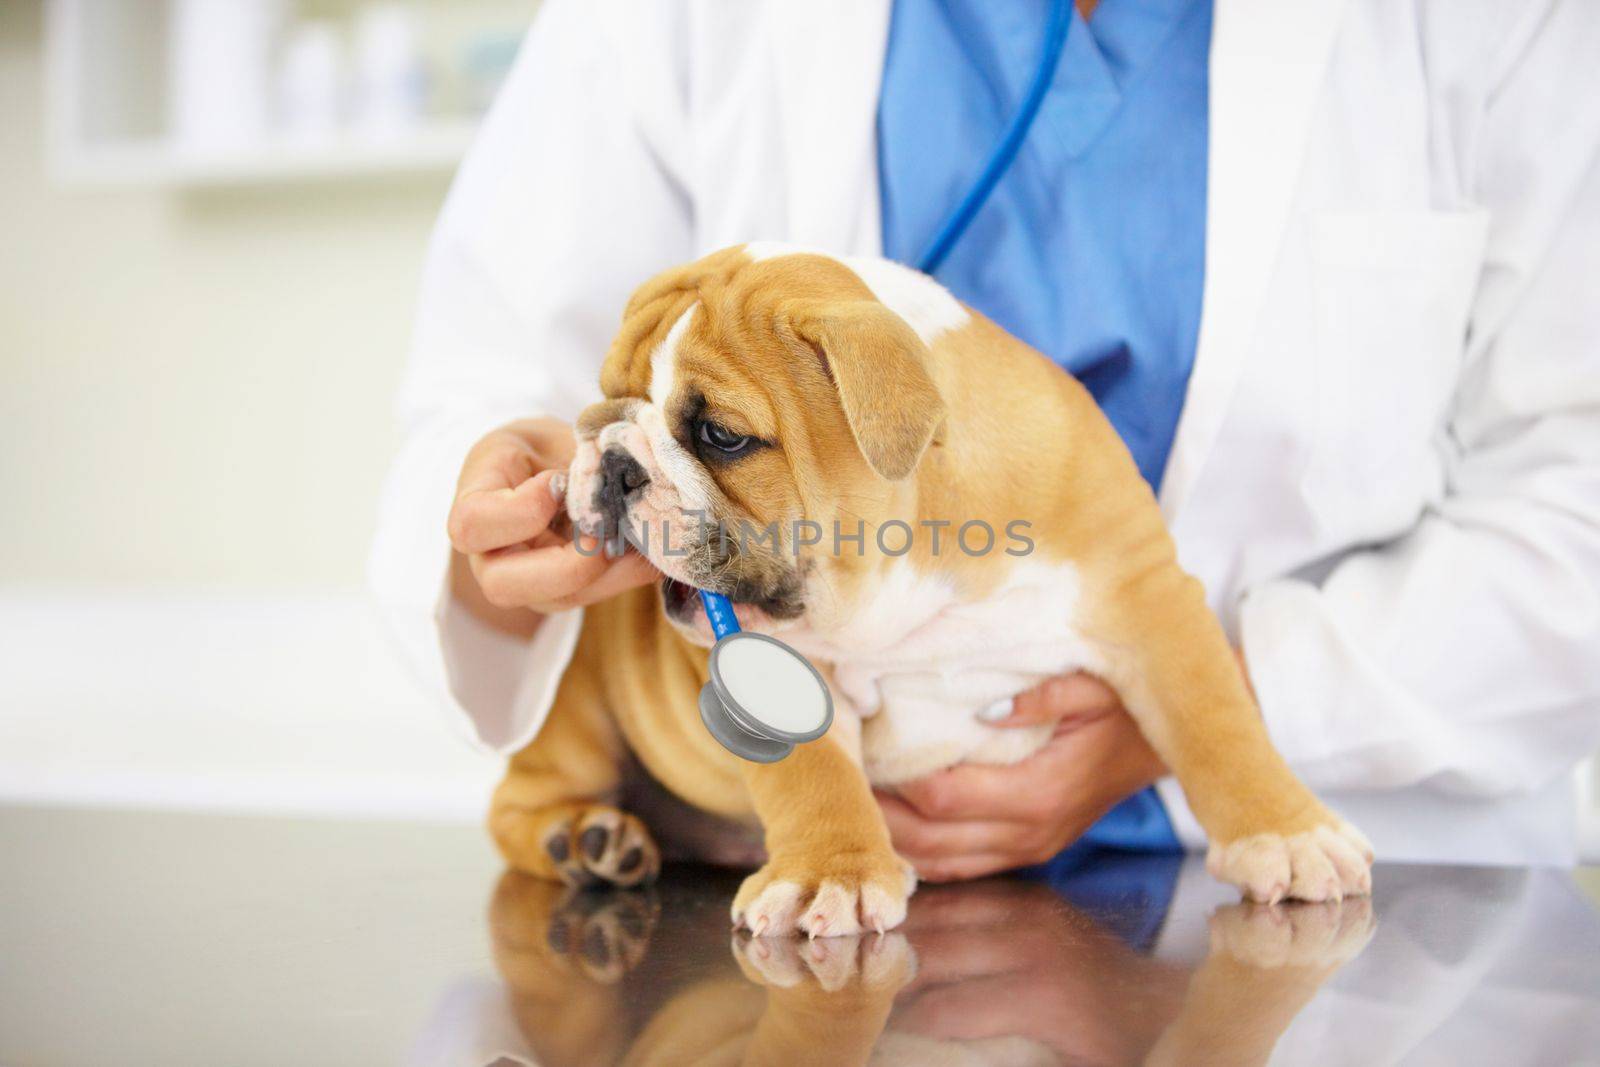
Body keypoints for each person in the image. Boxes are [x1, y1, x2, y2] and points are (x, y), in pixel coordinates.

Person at [370, 0, 1600, 877]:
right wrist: (514, 486)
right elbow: (497, 364)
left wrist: (1202, 709)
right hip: (779, 871)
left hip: (1388, 867)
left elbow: (1576, 491)